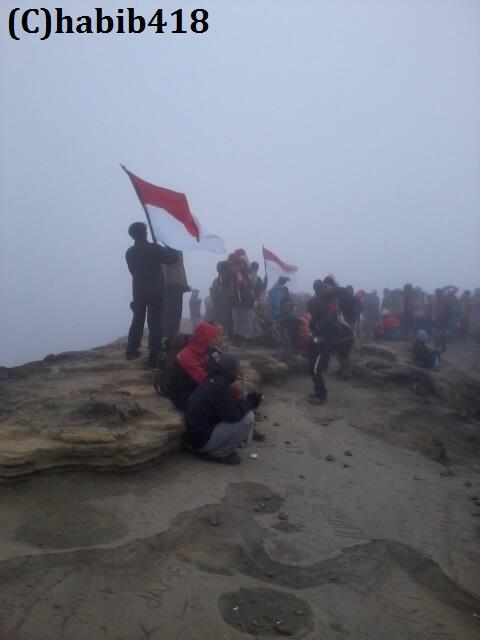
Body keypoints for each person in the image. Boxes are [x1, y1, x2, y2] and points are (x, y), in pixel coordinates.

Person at [184, 353, 262, 464]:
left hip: (197, 436)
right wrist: (249, 403)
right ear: (231, 369)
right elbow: (232, 416)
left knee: (243, 410)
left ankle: (217, 448)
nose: (237, 373)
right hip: (201, 441)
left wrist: (246, 399)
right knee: (247, 418)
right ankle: (220, 453)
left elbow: (226, 408)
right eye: (236, 369)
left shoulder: (214, 379)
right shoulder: (219, 385)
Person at [125, 222, 178, 368]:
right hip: (156, 291)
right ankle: (153, 358)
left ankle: (131, 351)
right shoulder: (154, 248)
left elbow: (133, 272)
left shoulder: (130, 252)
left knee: (137, 320)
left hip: (139, 290)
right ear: (145, 232)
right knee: (155, 324)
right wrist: (172, 247)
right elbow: (172, 259)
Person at [177, 322, 222, 387]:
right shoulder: (185, 355)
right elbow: (202, 379)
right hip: (185, 392)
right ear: (205, 338)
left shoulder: (206, 352)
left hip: (198, 387)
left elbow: (220, 366)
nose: (216, 341)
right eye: (213, 338)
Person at [162, 252, 190, 339]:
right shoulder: (165, 252)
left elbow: (181, 269)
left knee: (178, 311)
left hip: (179, 287)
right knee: (170, 311)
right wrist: (164, 286)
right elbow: (164, 270)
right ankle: (168, 335)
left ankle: (174, 333)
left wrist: (185, 284)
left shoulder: (179, 252)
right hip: (170, 286)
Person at [210, 261, 234, 338]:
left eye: (222, 271)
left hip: (226, 304)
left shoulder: (230, 280)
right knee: (220, 319)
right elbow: (213, 292)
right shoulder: (217, 280)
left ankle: (226, 334)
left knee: (226, 319)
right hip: (219, 304)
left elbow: (231, 292)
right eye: (220, 271)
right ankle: (220, 333)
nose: (221, 273)